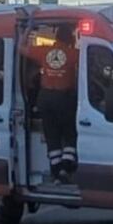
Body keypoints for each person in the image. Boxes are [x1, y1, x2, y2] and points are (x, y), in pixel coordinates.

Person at [28, 24, 79, 184]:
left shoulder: (43, 51)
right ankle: (66, 167)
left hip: (45, 99)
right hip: (63, 98)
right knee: (70, 134)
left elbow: (22, 48)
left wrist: (27, 29)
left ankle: (56, 173)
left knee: (52, 137)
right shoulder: (73, 54)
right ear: (70, 38)